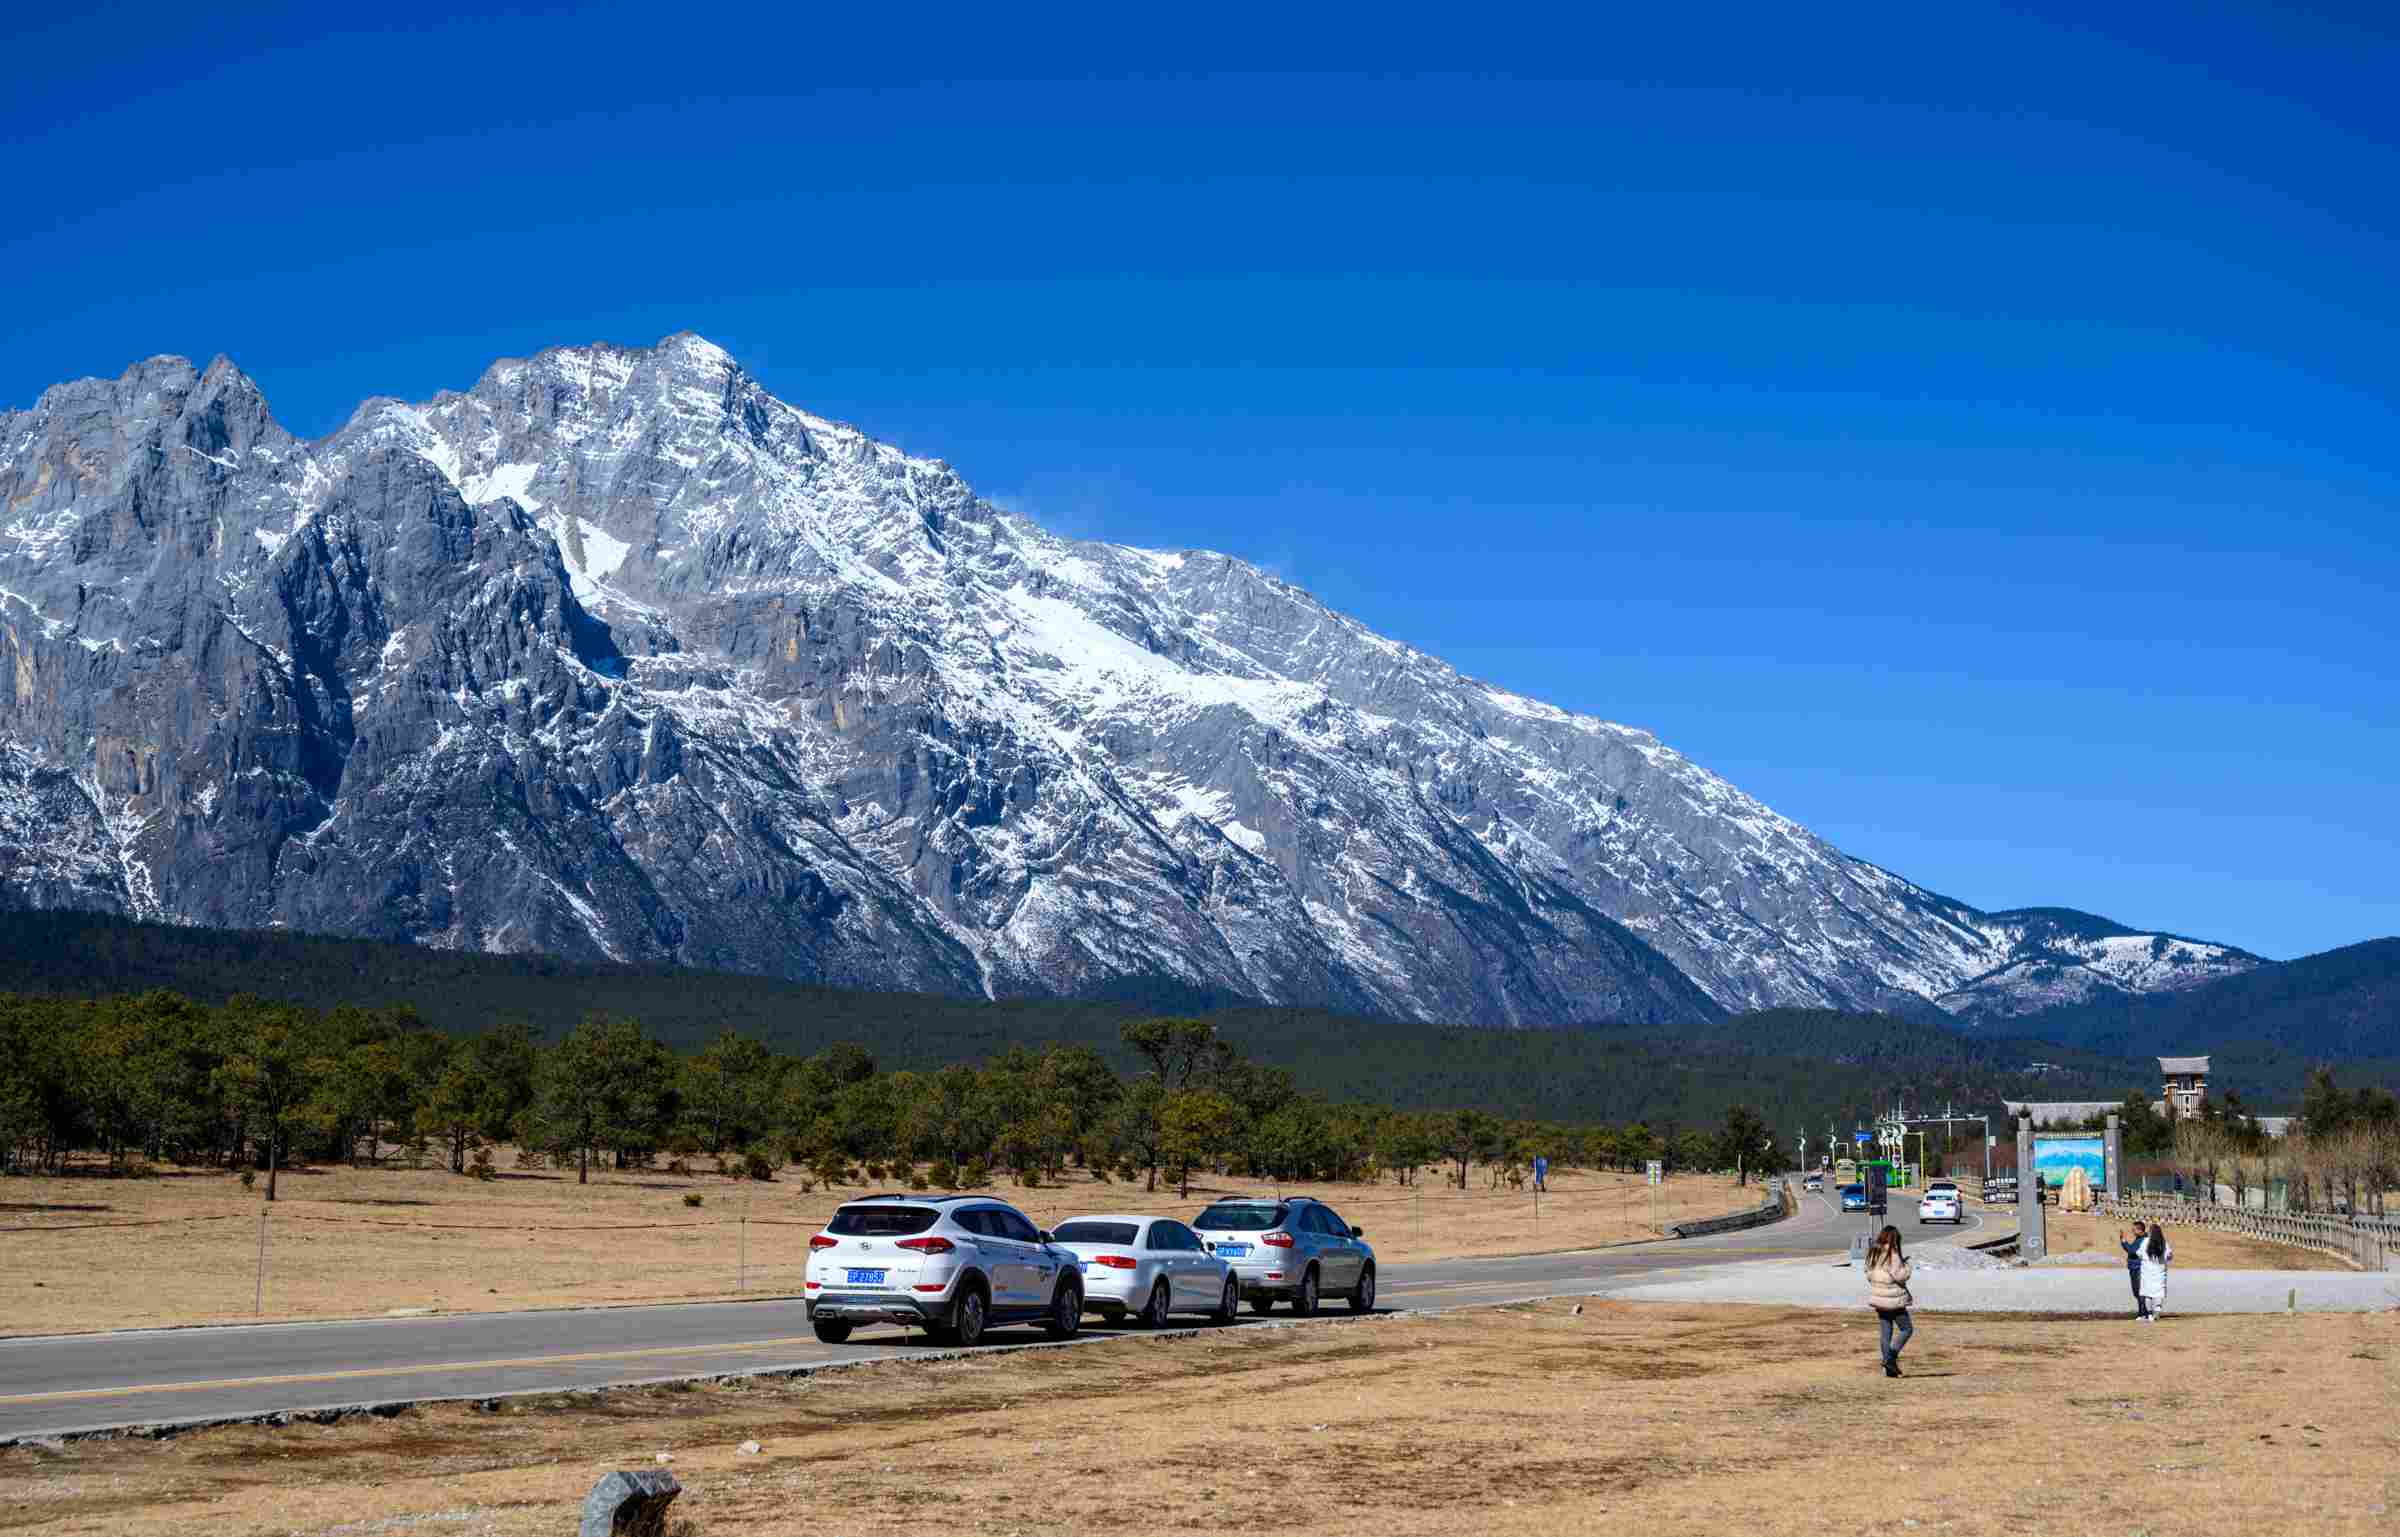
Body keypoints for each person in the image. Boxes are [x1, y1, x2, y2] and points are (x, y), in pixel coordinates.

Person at [1865, 1224, 1914, 1377]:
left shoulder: (1873, 1253)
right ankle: (1890, 1359)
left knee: (1886, 1333)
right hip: (1893, 1299)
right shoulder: (1892, 1254)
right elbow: (1900, 1275)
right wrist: (1906, 1266)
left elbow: (1868, 1274)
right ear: (1894, 1239)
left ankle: (1888, 1368)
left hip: (1879, 1299)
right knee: (1906, 1329)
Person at [2137, 1223, 2172, 1322]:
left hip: (2147, 1271)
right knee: (2158, 1292)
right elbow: (2169, 1256)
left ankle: (2149, 1314)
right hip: (2160, 1271)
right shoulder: (2164, 1243)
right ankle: (2156, 1312)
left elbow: (2139, 1254)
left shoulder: (2145, 1241)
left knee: (2147, 1293)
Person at [2118, 1221, 2148, 1319]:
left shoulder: (2143, 1240)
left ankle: (2142, 1313)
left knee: (2139, 1291)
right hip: (2134, 1267)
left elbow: (2132, 1251)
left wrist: (2124, 1241)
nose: (2132, 1231)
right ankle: (2144, 1312)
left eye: (2134, 1230)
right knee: (2137, 1292)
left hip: (2138, 1267)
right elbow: (2131, 1250)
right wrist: (2123, 1242)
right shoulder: (2139, 1239)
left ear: (2140, 1230)